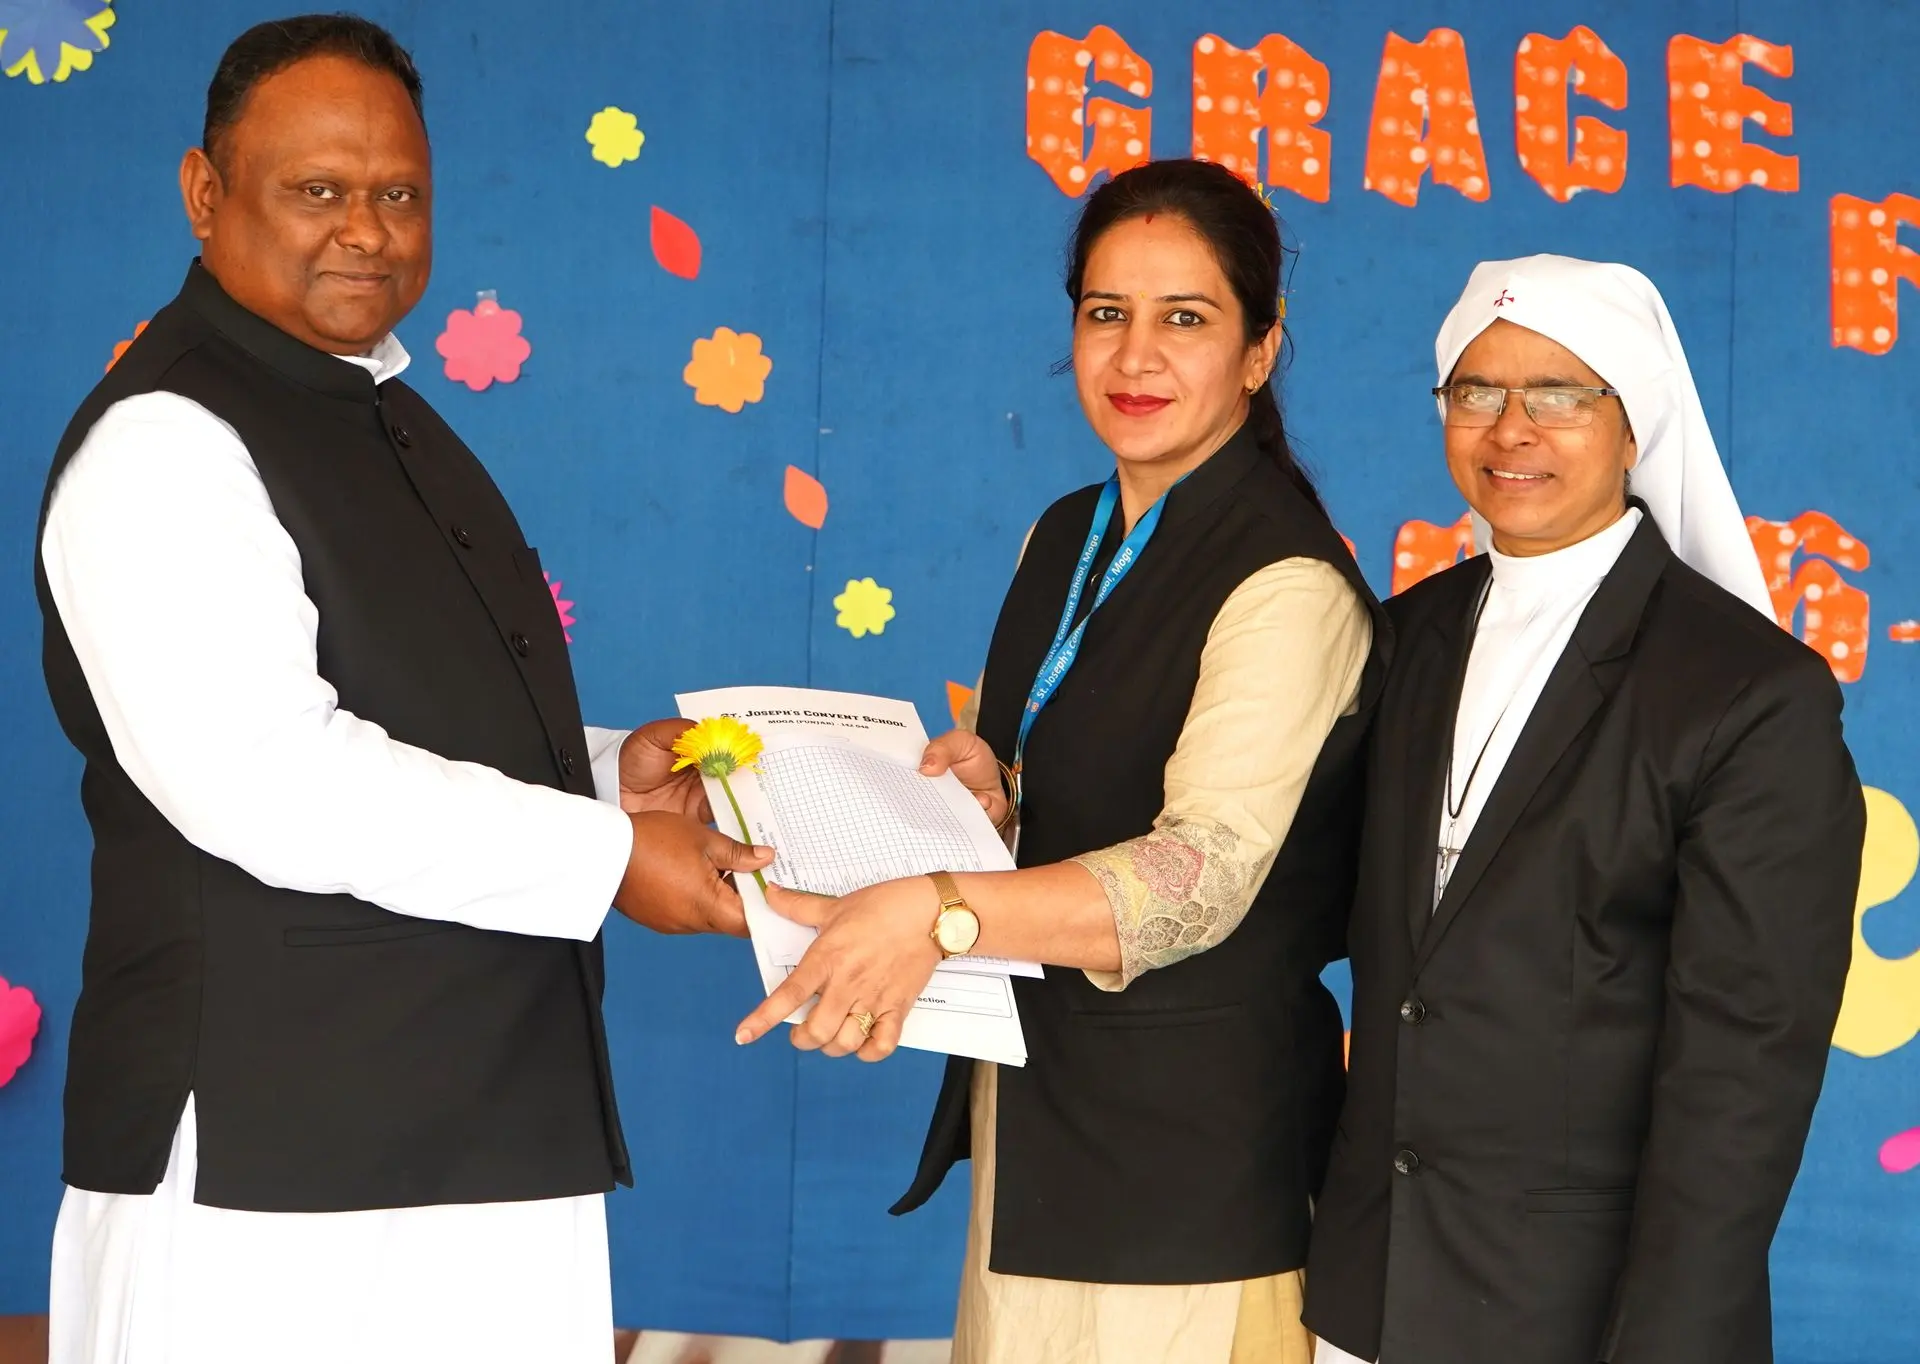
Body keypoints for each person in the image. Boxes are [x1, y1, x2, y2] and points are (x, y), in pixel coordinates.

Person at [37, 16, 771, 1364]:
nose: (366, 232)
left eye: (399, 194)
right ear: (204, 193)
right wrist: (609, 855)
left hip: (474, 1128)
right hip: (273, 1161)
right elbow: (269, 777)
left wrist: (605, 773)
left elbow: (398, 714)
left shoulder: (379, 412)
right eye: (317, 189)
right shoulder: (166, 438)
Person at [734, 159, 1389, 1364]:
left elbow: (1201, 876)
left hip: (1194, 1167)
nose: (1136, 356)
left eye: (1185, 318)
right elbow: (1083, 785)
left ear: (1259, 351)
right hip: (1037, 1120)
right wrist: (996, 804)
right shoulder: (1065, 534)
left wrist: (935, 908)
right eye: (1106, 313)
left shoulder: (1286, 582)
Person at [1303, 256, 1864, 1364]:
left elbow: (1742, 1075)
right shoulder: (1402, 637)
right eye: (1477, 391)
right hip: (1370, 1295)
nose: (1511, 429)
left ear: (1633, 421)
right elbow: (1299, 901)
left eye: (1559, 393)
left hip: (1579, 1315)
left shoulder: (1750, 693)